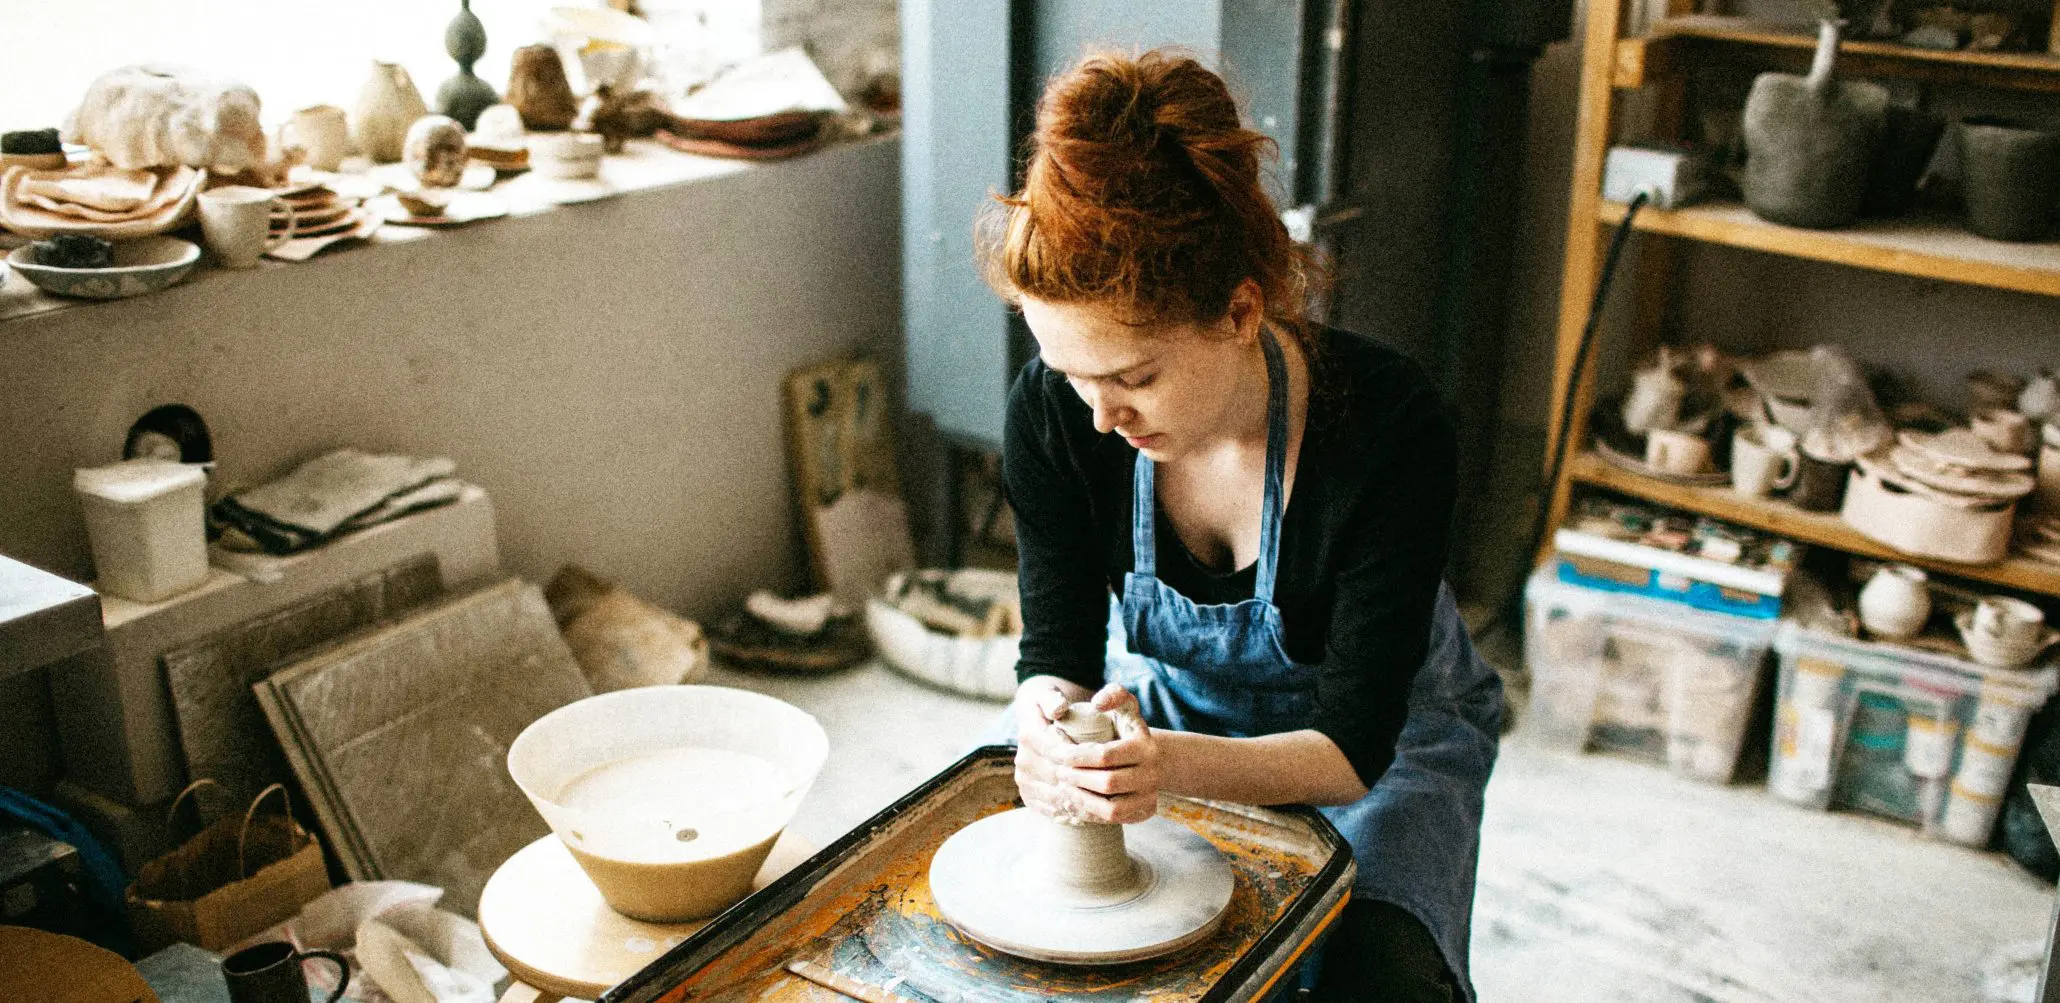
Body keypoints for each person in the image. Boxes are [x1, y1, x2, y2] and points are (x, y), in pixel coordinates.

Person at [984, 48, 1504, 1002]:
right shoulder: (1057, 415)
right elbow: (1054, 649)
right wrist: (1051, 735)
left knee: (1376, 980)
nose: (1101, 416)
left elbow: (1352, 746)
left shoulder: (1389, 425)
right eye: (1071, 374)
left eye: (1134, 377)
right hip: (1168, 713)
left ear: (1238, 310)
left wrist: (1157, 770)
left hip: (1382, 746)